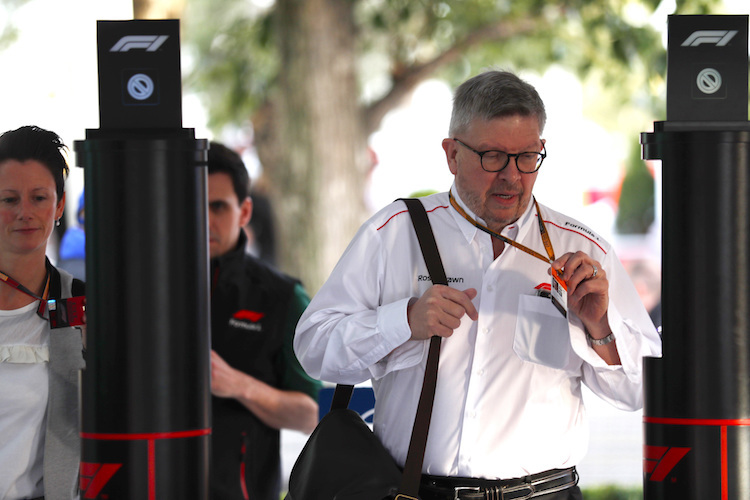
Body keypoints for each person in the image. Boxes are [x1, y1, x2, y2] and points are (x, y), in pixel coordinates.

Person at [294, 71, 662, 499]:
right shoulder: (394, 234)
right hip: (414, 492)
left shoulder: (583, 250)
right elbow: (313, 350)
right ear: (452, 154)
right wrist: (403, 320)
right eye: (492, 156)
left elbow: (640, 393)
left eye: (527, 156)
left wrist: (601, 329)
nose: (512, 176)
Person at [206, 141, 321, 500]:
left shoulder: (282, 297)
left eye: (218, 207)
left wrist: (238, 385)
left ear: (244, 212)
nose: (204, 219)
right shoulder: (150, 289)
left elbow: (309, 413)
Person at [0, 126, 85, 500]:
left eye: (39, 197)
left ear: (60, 206)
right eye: (8, 199)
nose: (24, 213)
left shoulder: (79, 306)